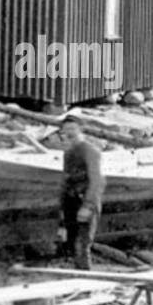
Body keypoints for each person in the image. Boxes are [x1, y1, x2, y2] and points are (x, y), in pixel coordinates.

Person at [60, 114, 104, 270]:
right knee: (72, 244)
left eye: (72, 129)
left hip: (85, 202)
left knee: (82, 246)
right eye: (65, 130)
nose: (68, 133)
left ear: (81, 130)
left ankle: (87, 287)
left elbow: (97, 181)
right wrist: (62, 212)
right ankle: (78, 282)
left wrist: (88, 206)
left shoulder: (90, 151)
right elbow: (66, 181)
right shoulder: (68, 153)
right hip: (71, 203)